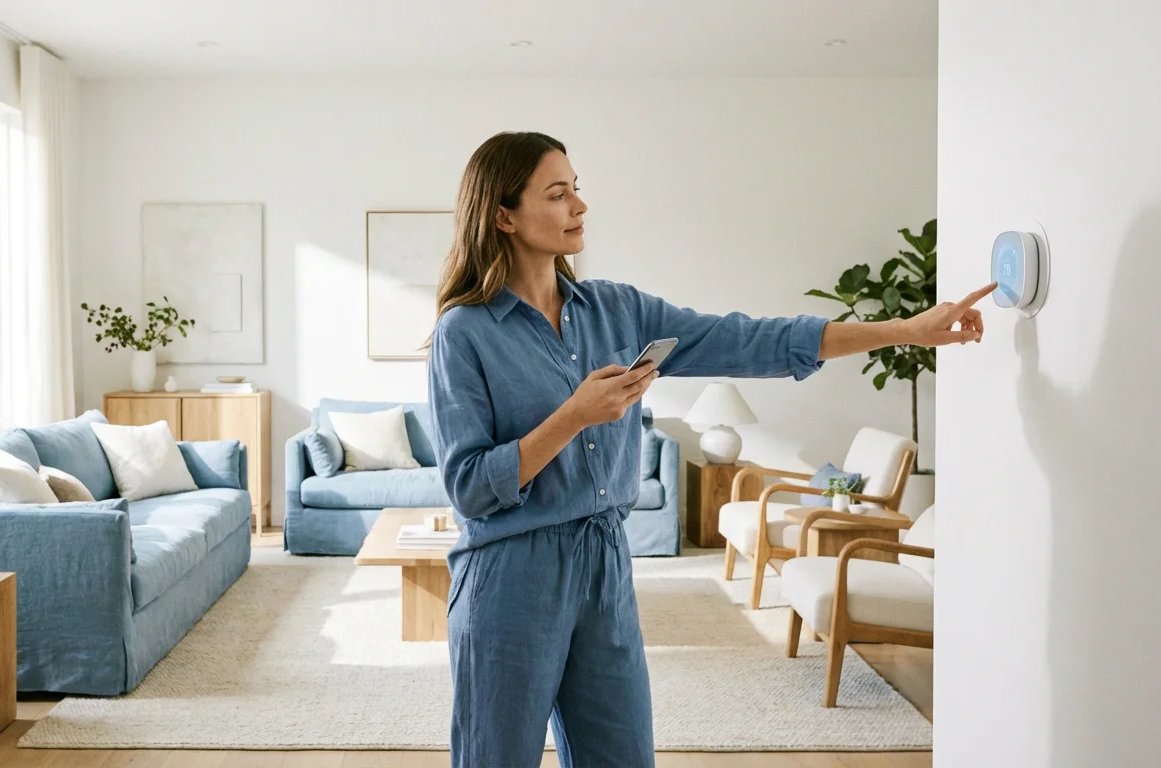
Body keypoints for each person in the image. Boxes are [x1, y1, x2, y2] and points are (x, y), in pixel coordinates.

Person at [425, 130, 996, 767]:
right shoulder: (464, 332)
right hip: (510, 576)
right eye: (557, 194)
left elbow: (748, 340)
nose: (579, 206)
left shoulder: (617, 309)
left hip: (604, 563)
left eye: (576, 189)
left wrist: (905, 330)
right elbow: (470, 488)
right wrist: (574, 417)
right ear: (503, 216)